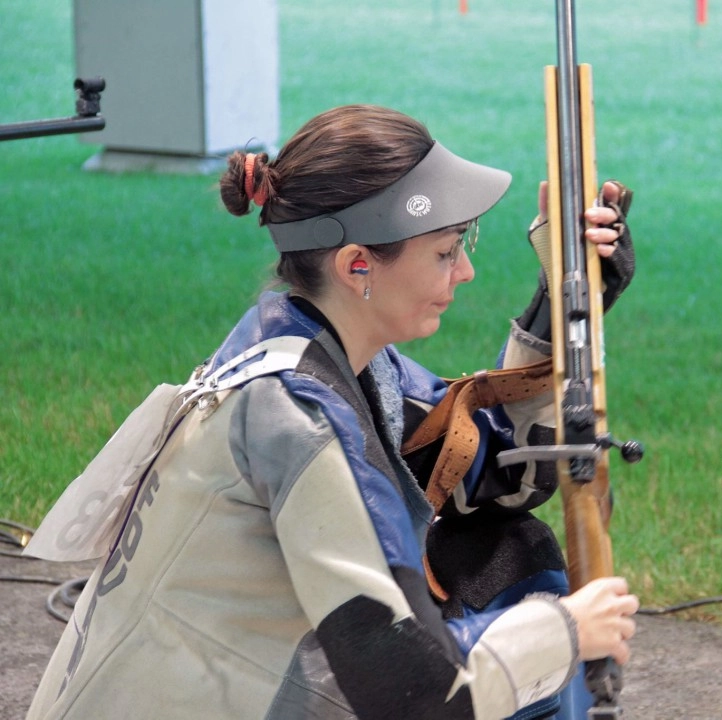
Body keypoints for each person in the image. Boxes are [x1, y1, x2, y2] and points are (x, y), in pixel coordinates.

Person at [26, 104, 639, 720]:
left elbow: (503, 480)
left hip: (232, 683)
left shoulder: (326, 357)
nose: (467, 271)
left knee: (506, 554)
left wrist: (565, 300)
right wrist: (562, 631)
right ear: (357, 266)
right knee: (510, 647)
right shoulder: (298, 417)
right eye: (447, 251)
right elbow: (418, 696)